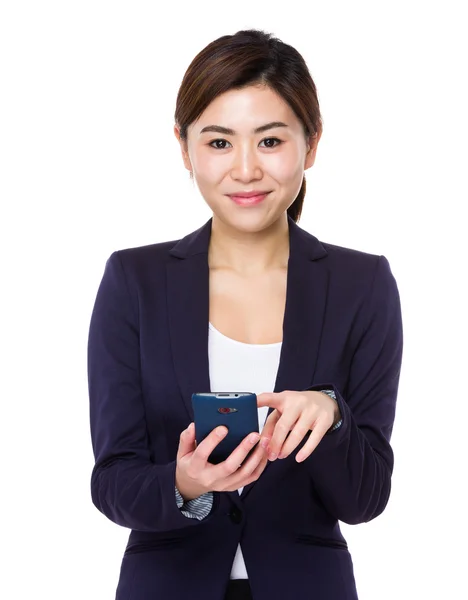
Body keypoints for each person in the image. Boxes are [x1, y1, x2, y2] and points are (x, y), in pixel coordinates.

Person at [87, 28, 404, 600]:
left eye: (269, 141)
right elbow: (112, 481)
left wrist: (331, 417)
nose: (246, 170)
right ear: (184, 148)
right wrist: (184, 483)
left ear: (310, 145)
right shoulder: (134, 282)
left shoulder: (363, 285)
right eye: (218, 143)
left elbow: (366, 498)